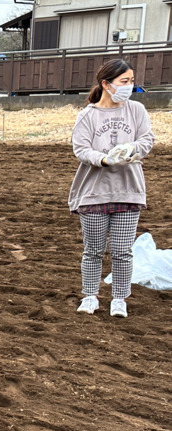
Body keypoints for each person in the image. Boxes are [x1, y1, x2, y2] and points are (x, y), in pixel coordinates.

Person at [68, 59, 154, 319]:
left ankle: (119, 299)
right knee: (93, 250)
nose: (130, 86)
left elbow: (147, 139)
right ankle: (90, 295)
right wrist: (105, 159)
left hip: (128, 190)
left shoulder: (136, 110)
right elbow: (81, 149)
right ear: (106, 84)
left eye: (131, 81)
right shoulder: (88, 115)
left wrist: (131, 149)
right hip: (94, 193)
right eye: (124, 81)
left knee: (123, 252)